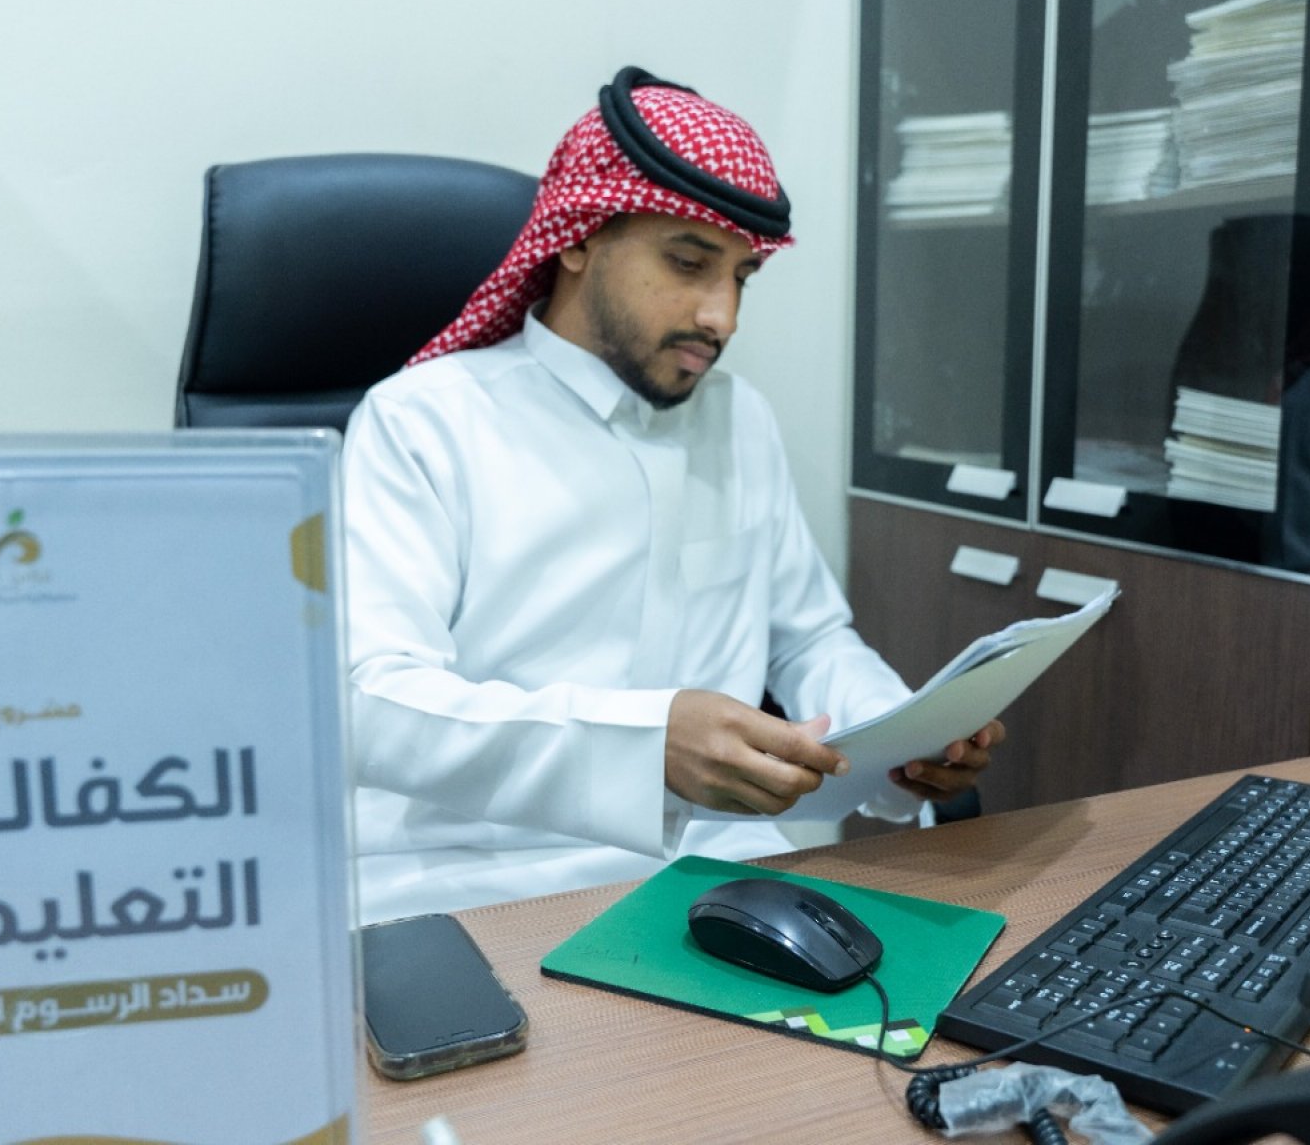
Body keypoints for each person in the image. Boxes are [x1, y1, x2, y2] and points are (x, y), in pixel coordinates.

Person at [342, 67, 1002, 922]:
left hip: (720, 869)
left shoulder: (738, 417)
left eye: (741, 277)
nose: (721, 317)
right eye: (688, 264)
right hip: (471, 877)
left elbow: (806, 640)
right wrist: (644, 747)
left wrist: (900, 740)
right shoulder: (423, 421)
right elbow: (372, 701)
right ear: (579, 239)